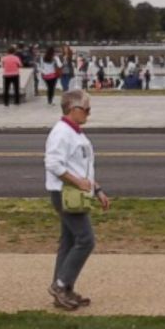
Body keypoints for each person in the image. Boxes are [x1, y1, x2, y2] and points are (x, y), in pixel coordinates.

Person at [44, 89, 110, 310]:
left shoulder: (75, 133)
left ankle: (64, 289)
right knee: (85, 240)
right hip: (66, 195)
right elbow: (53, 164)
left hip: (74, 193)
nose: (89, 114)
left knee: (69, 241)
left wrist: (97, 189)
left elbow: (82, 168)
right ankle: (61, 285)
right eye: (87, 109)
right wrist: (77, 182)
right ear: (74, 109)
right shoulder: (61, 132)